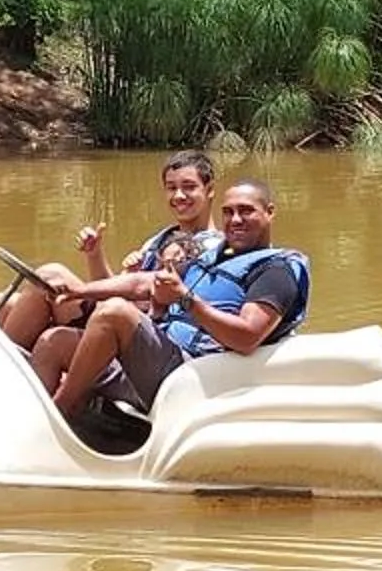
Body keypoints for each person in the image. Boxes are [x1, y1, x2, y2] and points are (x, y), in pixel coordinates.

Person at [31, 180, 310, 423]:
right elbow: (143, 282)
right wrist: (79, 291)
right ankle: (40, 418)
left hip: (195, 372)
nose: (235, 219)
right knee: (53, 341)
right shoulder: (213, 255)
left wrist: (186, 299)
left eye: (246, 211)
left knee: (114, 313)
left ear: (270, 212)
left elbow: (247, 336)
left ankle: (57, 415)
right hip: (159, 356)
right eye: (228, 212)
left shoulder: (276, 271)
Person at [0, 150, 221, 352]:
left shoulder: (212, 248)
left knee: (51, 274)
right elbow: (112, 289)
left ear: (209, 190)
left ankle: (4, 368)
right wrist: (95, 254)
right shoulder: (159, 239)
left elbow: (149, 295)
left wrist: (79, 290)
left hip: (143, 333)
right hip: (114, 312)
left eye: (189, 187)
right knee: (1, 302)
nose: (178, 196)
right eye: (171, 188)